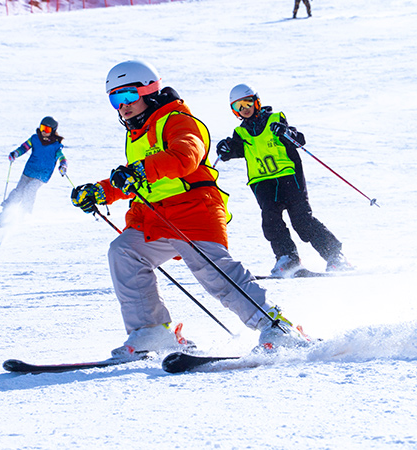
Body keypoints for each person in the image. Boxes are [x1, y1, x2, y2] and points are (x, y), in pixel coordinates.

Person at [72, 60, 309, 358]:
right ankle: (151, 332)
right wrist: (101, 191)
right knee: (123, 252)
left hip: (194, 210)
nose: (123, 106)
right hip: (156, 219)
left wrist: (140, 171)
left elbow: (186, 155)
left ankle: (276, 326)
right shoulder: (137, 134)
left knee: (212, 272)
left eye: (129, 96)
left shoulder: (177, 120)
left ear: (149, 91)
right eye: (115, 99)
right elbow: (137, 179)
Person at [215, 83, 352, 278]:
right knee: (271, 221)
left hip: (288, 178)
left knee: (302, 220)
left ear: (257, 102)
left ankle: (335, 256)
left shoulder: (275, 120)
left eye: (247, 103)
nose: (244, 109)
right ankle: (287, 257)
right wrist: (225, 150)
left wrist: (286, 133)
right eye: (238, 107)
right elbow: (234, 150)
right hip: (263, 183)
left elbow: (299, 139)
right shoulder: (241, 134)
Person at [0, 116, 67, 226]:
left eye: (47, 129)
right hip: (29, 171)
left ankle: (23, 215)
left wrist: (63, 166)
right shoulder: (34, 139)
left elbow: (61, 157)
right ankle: (2, 216)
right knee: (18, 192)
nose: (43, 131)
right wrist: (15, 154)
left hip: (42, 174)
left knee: (29, 190)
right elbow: (24, 148)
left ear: (52, 131)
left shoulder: (56, 145)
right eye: (42, 127)